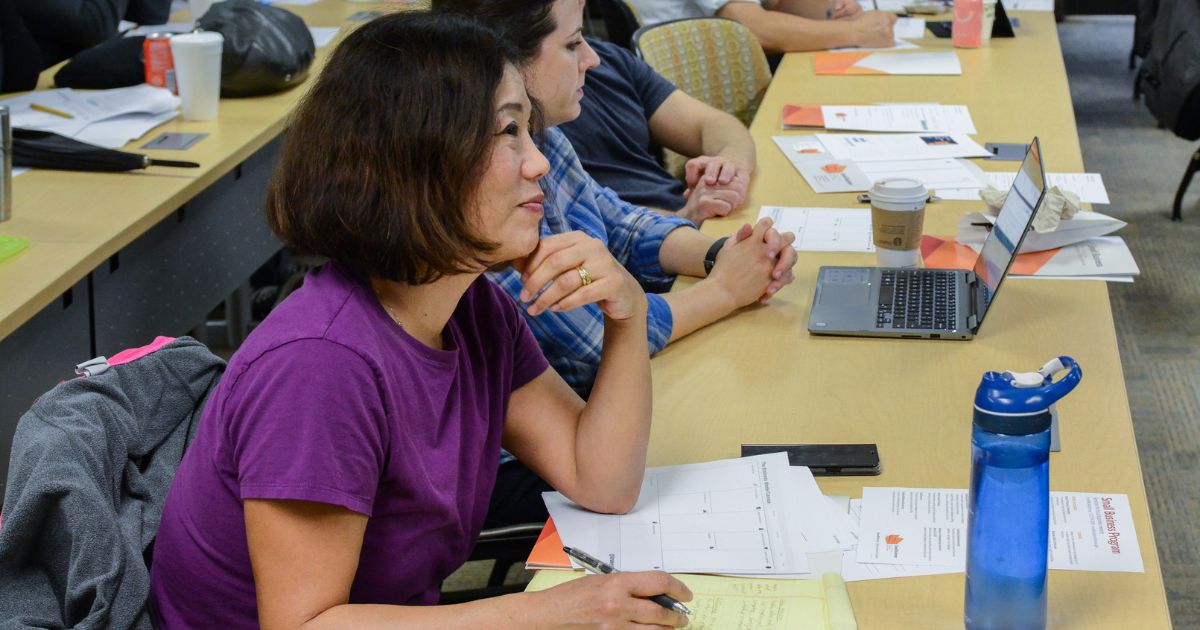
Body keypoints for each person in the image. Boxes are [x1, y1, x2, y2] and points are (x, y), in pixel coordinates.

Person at [149, 12, 693, 628]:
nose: (539, 164)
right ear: (415, 159)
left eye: (529, 132)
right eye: (508, 132)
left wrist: (628, 314)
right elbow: (305, 625)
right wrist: (544, 612)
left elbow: (602, 481)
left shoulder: (472, 306)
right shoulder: (321, 365)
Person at [430, 0, 798, 528]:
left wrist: (723, 255)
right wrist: (722, 291)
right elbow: (593, 344)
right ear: (507, 57)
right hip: (516, 462)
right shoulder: (485, 210)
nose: (593, 60)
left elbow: (615, 220)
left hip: (570, 433)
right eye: (573, 43)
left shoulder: (539, 145)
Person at [559, 37, 757, 226]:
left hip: (679, 223)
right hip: (657, 241)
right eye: (572, 42)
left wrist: (729, 168)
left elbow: (712, 122)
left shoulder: (609, 60)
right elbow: (598, 224)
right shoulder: (540, 131)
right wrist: (686, 216)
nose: (593, 58)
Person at [625, 0, 898, 53]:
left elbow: (776, 4)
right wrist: (857, 32)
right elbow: (754, 28)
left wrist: (835, 8)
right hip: (694, 95)